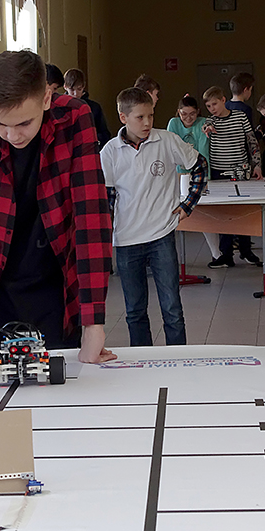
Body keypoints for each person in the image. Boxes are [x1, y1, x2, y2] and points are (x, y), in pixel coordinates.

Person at [0, 51, 116, 370]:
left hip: (57, 288)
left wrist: (93, 324)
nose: (13, 135)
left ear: (46, 97)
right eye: (1, 124)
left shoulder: (75, 119)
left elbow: (90, 220)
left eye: (24, 123)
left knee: (61, 387)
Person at [101, 87, 207, 346]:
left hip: (161, 235)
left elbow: (199, 166)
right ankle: (142, 359)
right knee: (135, 311)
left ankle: (178, 358)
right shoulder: (110, 151)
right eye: (140, 117)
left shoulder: (167, 140)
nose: (147, 122)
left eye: (150, 115)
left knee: (172, 309)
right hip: (126, 240)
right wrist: (105, 234)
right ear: (123, 117)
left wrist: (188, 204)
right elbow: (106, 197)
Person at [202, 85, 262, 268]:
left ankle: (246, 250)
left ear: (223, 100)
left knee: (243, 209)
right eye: (208, 106)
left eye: (214, 104)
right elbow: (205, 127)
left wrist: (257, 164)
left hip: (240, 169)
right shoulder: (211, 121)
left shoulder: (240, 117)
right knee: (223, 212)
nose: (212, 109)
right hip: (219, 171)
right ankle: (226, 254)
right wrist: (207, 128)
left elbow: (251, 141)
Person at [168, 95, 222, 261]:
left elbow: (203, 150)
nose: (188, 118)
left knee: (205, 215)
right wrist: (181, 173)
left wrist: (202, 175)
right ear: (178, 112)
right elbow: (173, 151)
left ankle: (217, 253)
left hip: (199, 171)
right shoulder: (173, 123)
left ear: (198, 112)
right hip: (179, 173)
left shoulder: (202, 123)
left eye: (192, 114)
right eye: (184, 114)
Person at [64, 67, 112, 148]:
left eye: (79, 89)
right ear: (65, 87)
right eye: (72, 90)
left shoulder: (94, 108)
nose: (75, 94)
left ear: (84, 87)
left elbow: (105, 135)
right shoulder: (59, 107)